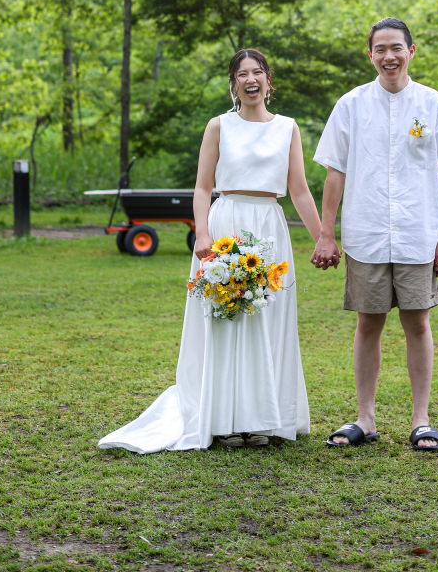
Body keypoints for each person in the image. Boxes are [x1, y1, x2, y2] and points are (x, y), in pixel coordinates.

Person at [98, 47, 322, 452]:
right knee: (225, 318)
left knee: (267, 321)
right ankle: (224, 419)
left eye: (258, 72)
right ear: (233, 83)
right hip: (226, 227)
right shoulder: (219, 125)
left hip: (269, 228)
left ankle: (263, 419)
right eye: (242, 74)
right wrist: (202, 235)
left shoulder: (288, 128)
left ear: (269, 81)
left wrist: (324, 236)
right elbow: (202, 187)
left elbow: (300, 190)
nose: (250, 80)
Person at [311, 17, 438, 452]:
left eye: (396, 47)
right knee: (367, 323)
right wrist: (326, 233)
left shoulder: (434, 105)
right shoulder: (351, 105)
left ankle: (421, 420)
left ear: (411, 51)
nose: (389, 56)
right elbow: (334, 173)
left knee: (417, 322)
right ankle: (365, 418)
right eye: (380, 49)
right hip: (366, 231)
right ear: (371, 54)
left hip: (417, 231)